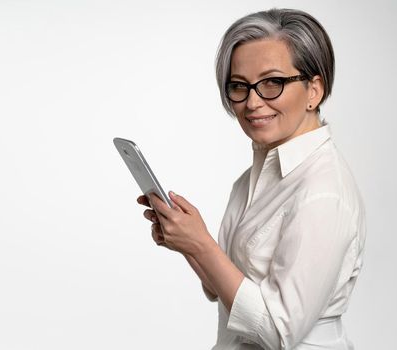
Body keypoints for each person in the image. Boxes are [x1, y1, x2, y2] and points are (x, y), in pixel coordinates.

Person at [136, 8, 366, 350]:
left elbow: (278, 333)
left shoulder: (322, 192)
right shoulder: (253, 178)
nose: (253, 102)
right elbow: (222, 290)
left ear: (314, 90)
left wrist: (201, 243)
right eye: (239, 86)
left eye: (272, 83)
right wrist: (186, 243)